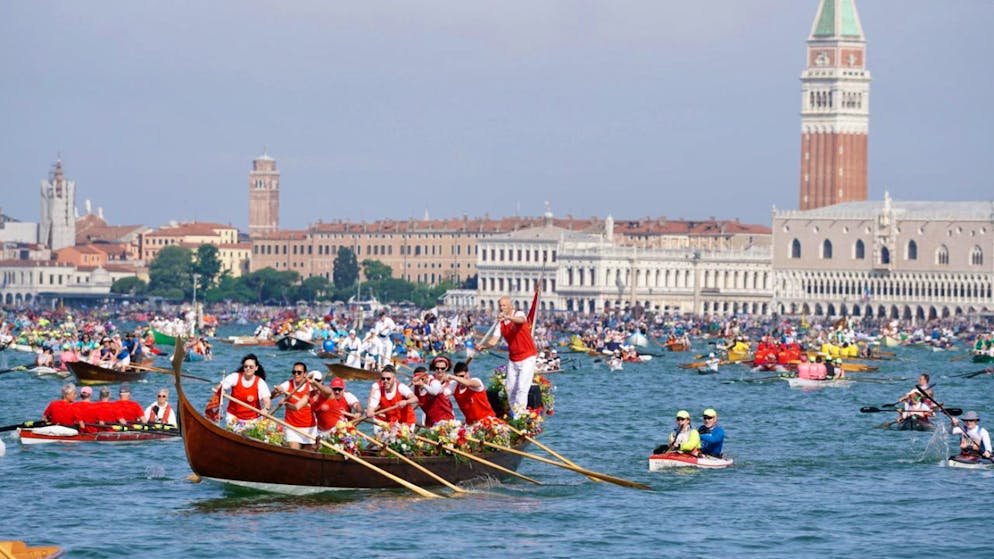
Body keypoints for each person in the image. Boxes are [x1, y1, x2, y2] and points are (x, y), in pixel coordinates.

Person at [480, 292, 539, 418]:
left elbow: (521, 320)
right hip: (514, 358)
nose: (502, 308)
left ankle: (520, 415)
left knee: (522, 387)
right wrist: (484, 346)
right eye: (500, 306)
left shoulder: (518, 314)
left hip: (528, 356)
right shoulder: (500, 324)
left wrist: (508, 318)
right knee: (510, 388)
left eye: (504, 306)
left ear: (510, 306)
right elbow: (494, 340)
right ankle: (514, 413)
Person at [271, 362, 316, 449]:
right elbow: (271, 396)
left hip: (309, 427)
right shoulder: (288, 384)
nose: (296, 374)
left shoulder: (310, 387)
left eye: (299, 372)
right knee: (294, 451)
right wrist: (276, 391)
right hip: (291, 427)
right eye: (294, 372)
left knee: (308, 454)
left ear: (305, 374)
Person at [219, 354, 272, 423]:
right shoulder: (235, 377)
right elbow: (220, 387)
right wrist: (221, 390)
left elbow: (267, 400)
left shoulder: (260, 382)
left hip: (253, 418)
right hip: (234, 416)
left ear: (256, 368)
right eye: (246, 366)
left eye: (251, 367)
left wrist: (266, 409)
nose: (248, 368)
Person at [443, 360, 496, 425]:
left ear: (468, 374)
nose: (459, 379)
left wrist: (453, 377)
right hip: (471, 424)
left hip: (488, 420)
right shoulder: (454, 385)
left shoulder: (476, 381)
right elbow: (442, 394)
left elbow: (468, 383)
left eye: (461, 376)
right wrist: (443, 382)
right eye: (457, 376)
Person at [411, 357, 455, 427]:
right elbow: (411, 402)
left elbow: (434, 392)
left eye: (442, 368)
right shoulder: (418, 385)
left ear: (446, 368)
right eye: (437, 368)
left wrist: (454, 377)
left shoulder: (436, 382)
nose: (439, 370)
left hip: (444, 419)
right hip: (429, 419)